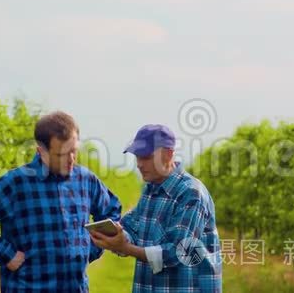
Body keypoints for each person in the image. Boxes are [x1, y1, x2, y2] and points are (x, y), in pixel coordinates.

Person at [0, 111, 122, 293]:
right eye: (61, 154)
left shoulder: (85, 180)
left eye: (74, 151)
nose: (71, 159)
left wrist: (90, 248)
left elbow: (111, 209)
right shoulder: (17, 183)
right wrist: (7, 255)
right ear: (41, 151)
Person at [90, 124, 222, 292]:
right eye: (137, 157)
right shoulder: (150, 190)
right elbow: (131, 228)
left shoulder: (190, 193)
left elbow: (177, 252)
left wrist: (126, 248)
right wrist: (114, 234)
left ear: (168, 155)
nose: (139, 164)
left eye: (145, 157)